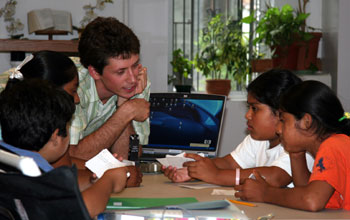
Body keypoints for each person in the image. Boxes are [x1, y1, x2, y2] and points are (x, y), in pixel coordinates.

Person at [0, 79, 130, 218]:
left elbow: (60, 191)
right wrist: (109, 181)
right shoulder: (33, 173)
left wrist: (94, 182)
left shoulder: (7, 160)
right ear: (55, 137)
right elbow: (84, 209)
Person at [162, 69, 314, 187]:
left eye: (255, 108)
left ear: (281, 112)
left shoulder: (300, 144)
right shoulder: (258, 139)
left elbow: (275, 177)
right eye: (248, 108)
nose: (247, 115)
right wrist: (193, 168)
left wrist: (215, 176)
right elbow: (229, 163)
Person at [234, 80, 350, 211]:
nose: (278, 129)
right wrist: (296, 154)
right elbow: (305, 190)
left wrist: (265, 193)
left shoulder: (334, 145)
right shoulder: (333, 144)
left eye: (283, 120)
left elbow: (312, 200)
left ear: (306, 122)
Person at [69, 16, 150, 161]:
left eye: (135, 65)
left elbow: (129, 157)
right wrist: (126, 112)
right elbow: (72, 157)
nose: (132, 79)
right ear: (94, 72)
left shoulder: (138, 81)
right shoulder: (71, 85)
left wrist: (124, 102)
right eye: (121, 72)